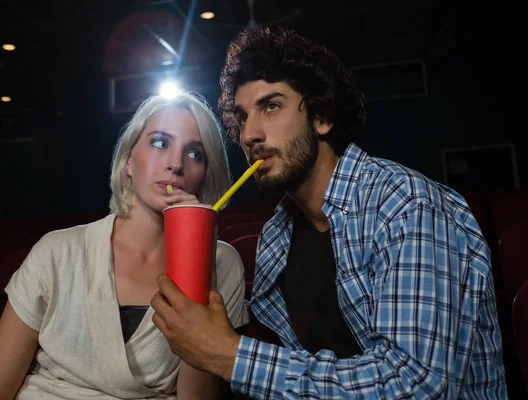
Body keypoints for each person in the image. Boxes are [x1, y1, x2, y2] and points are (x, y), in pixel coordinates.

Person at [150, 28, 509, 399]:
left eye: (271, 106)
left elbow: (416, 384)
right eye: (241, 118)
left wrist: (230, 355)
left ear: (321, 117)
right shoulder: (277, 236)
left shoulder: (405, 205)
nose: (249, 135)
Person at [0, 91, 249, 399]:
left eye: (195, 153)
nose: (175, 164)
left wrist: (198, 252)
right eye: (160, 142)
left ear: (205, 174)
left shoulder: (221, 262)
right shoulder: (56, 252)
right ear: (129, 161)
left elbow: (197, 398)